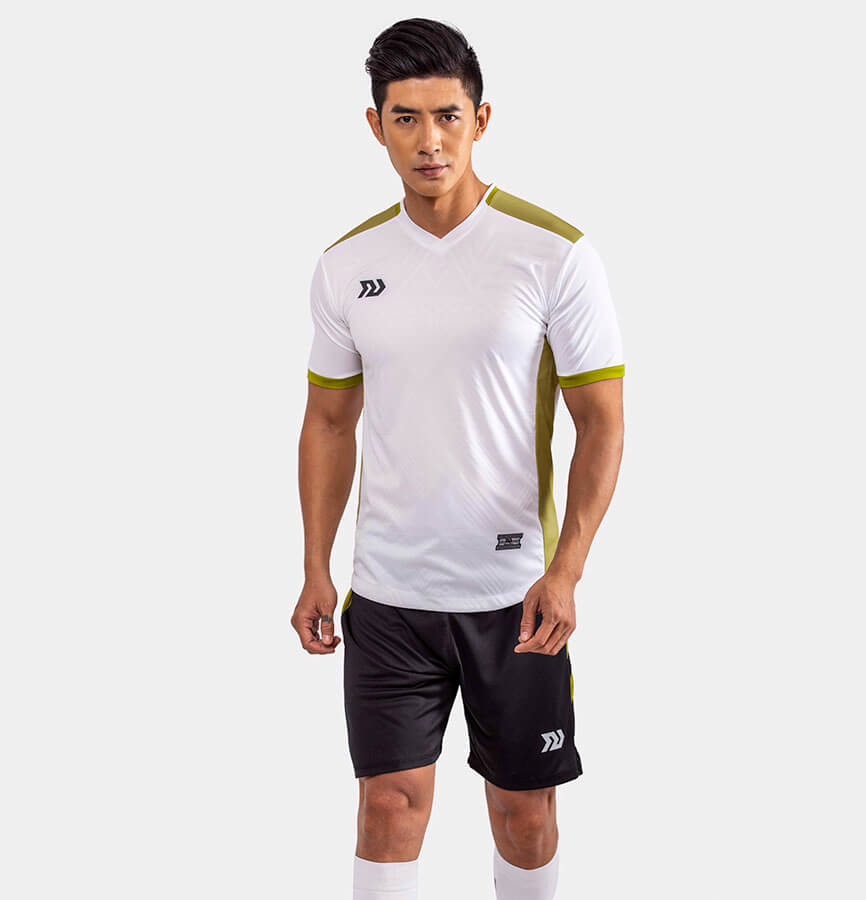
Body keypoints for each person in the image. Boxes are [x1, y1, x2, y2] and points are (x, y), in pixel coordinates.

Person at [292, 17, 625, 900]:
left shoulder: (553, 253)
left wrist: (567, 570)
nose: (429, 140)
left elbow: (602, 423)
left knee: (524, 815)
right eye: (406, 119)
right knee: (388, 808)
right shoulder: (346, 265)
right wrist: (316, 566)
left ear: (481, 118)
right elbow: (328, 423)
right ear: (377, 126)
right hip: (388, 595)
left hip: (514, 596)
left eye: (447, 116)